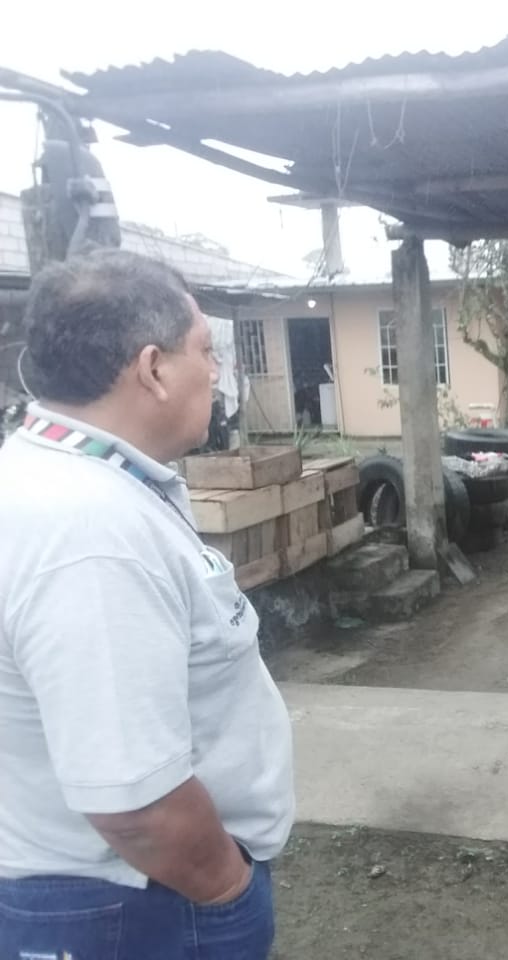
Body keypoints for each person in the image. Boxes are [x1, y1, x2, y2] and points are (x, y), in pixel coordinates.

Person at [0, 250, 295, 959]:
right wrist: (227, 889)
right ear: (154, 369)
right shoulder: (89, 532)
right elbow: (134, 802)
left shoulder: (56, 479)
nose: (215, 372)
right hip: (133, 904)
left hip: (114, 893)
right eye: (206, 351)